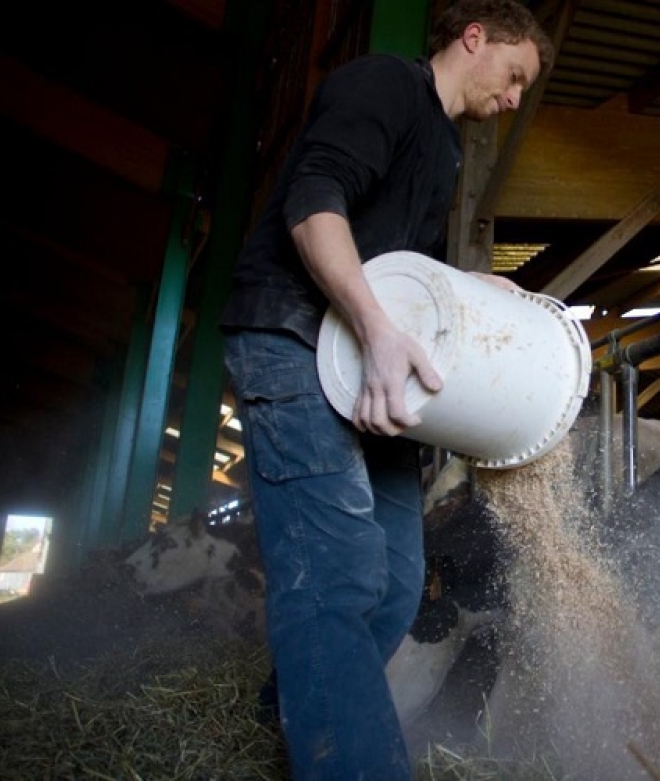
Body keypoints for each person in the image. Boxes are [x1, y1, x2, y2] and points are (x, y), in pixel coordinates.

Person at [218, 1, 553, 778]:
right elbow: (314, 206)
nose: (512, 100)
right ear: (476, 38)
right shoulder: (382, 86)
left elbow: (404, 273)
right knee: (340, 574)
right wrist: (374, 328)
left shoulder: (442, 149)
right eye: (513, 78)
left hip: (362, 350)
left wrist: (469, 289)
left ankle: (297, 714)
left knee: (399, 582)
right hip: (297, 336)